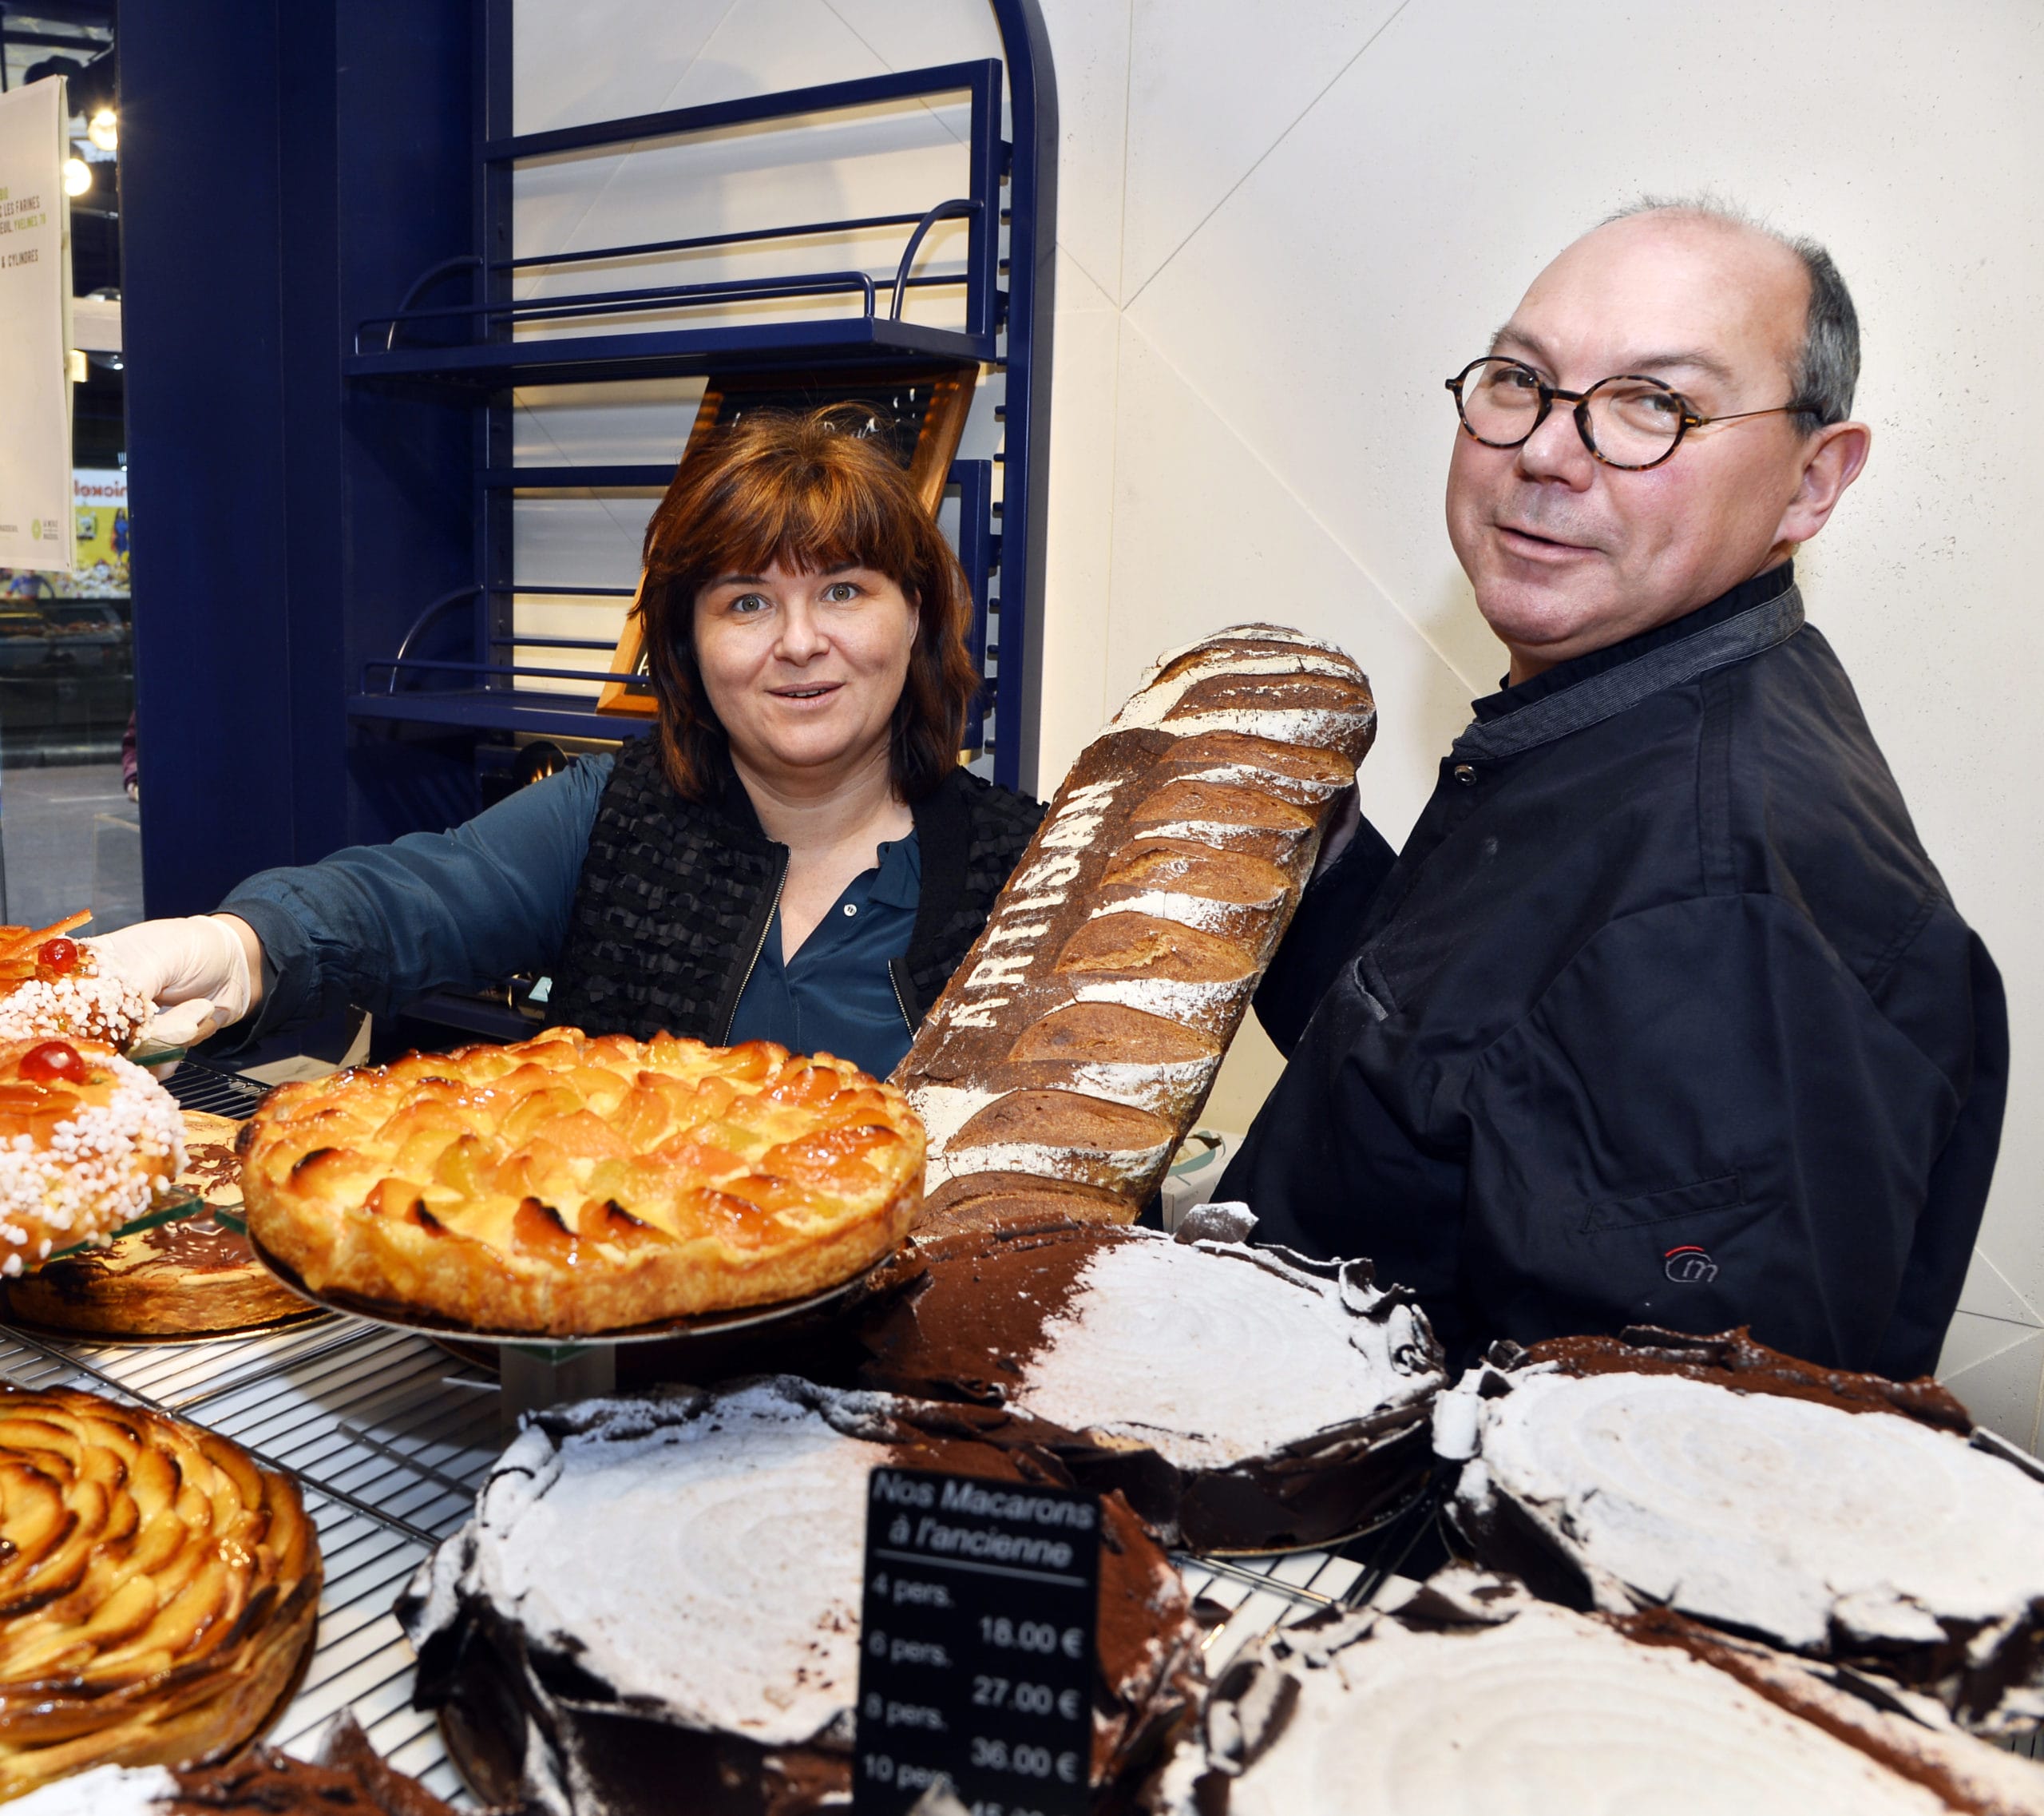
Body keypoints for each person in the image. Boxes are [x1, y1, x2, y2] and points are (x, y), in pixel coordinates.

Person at [1218, 200, 2006, 1380]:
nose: (1543, 450)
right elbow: (1481, 1082)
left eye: (1655, 404)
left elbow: (1635, 1470)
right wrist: (1310, 866)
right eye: (1520, 380)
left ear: (1810, 484)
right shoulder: (1613, 719)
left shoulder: (1717, 904)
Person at [92, 408, 1042, 1080]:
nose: (798, 642)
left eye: (843, 589)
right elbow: (406, 900)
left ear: (916, 615)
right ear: (687, 645)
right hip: (611, 1337)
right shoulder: (613, 815)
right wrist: (236, 945)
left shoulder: (1027, 873)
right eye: (746, 601)